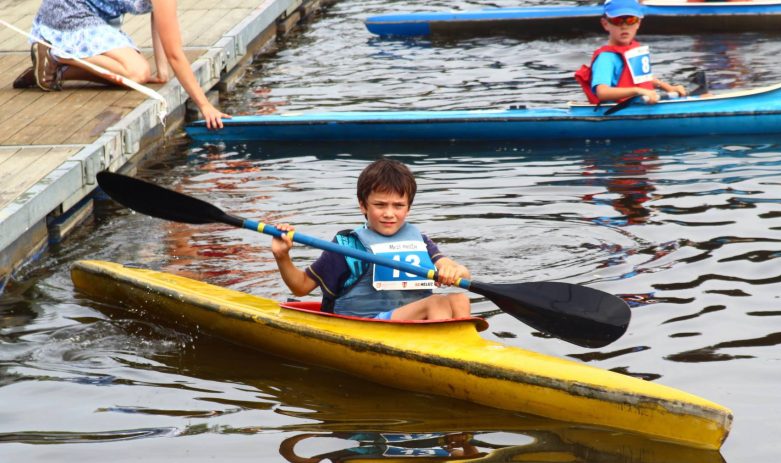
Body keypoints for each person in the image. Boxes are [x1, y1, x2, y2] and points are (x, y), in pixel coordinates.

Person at [271, 158, 471, 321]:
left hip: (412, 322)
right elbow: (301, 287)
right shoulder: (348, 246)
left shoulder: (420, 240)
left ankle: (462, 351)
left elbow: (461, 272)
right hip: (366, 325)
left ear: (408, 208)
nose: (389, 213)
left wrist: (452, 271)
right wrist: (282, 256)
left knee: (459, 299)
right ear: (363, 206)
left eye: (398, 206)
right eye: (380, 205)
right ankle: (441, 356)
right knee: (437, 303)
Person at [13, 0, 228, 129]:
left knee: (128, 76)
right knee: (136, 72)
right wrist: (205, 105)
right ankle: (55, 54)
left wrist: (162, 72)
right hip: (68, 12)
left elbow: (159, 15)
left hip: (88, 13)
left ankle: (51, 72)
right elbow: (175, 54)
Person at [574, 0, 687, 105]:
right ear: (605, 24)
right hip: (617, 111)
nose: (624, 26)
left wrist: (668, 87)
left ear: (638, 23)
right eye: (617, 20)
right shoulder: (606, 58)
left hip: (641, 103)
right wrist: (637, 91)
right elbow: (602, 92)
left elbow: (643, 78)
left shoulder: (634, 50)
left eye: (630, 20)